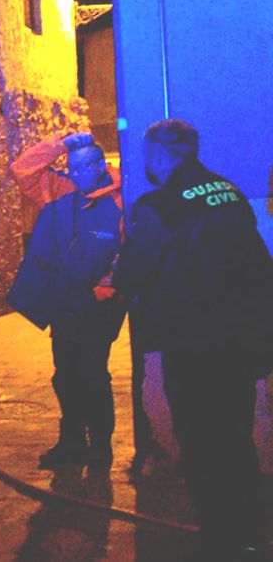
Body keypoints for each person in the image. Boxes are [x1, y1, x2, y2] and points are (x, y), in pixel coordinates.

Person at [113, 119, 272, 558]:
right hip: (240, 339)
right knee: (236, 437)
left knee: (202, 443)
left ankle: (220, 537)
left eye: (147, 154)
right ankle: (250, 535)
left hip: (193, 343)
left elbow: (132, 271)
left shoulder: (158, 205)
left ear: (162, 155)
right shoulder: (230, 192)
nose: (146, 162)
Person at [7, 131, 126, 470]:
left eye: (87, 165)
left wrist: (112, 285)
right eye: (74, 167)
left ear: (102, 165)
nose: (80, 172)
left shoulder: (121, 199)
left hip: (99, 308)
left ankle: (100, 446)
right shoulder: (60, 191)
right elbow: (23, 170)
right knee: (65, 375)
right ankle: (72, 442)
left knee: (93, 374)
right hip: (64, 304)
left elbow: (128, 247)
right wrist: (62, 144)